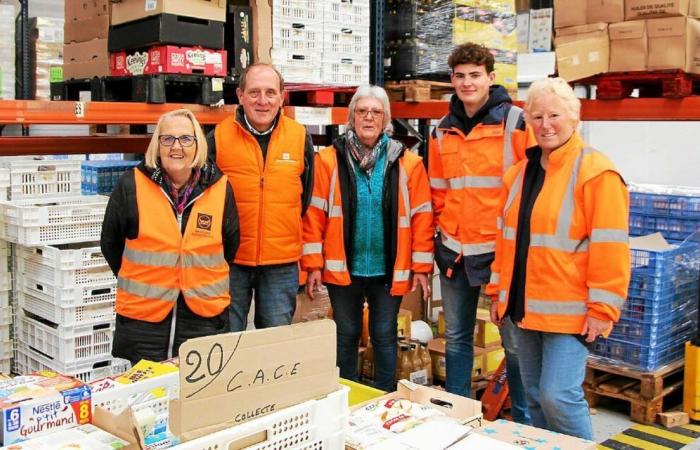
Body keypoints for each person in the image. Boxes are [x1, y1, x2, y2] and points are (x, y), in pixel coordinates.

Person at [486, 77, 630, 440]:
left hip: (570, 313)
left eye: (554, 115)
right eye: (536, 117)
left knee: (558, 397)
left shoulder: (596, 172)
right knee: (534, 399)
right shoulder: (519, 174)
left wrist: (602, 308)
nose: (545, 124)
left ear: (575, 118)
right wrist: (498, 292)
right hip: (524, 310)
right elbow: (505, 241)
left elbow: (610, 246)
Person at [428, 42, 533, 423]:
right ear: (452, 80)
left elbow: (533, 187)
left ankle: (521, 421)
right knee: (457, 338)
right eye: (460, 76)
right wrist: (441, 237)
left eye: (475, 75)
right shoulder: (442, 130)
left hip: (500, 255)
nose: (467, 82)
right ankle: (458, 416)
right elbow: (437, 191)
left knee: (514, 344)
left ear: (490, 78)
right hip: (455, 251)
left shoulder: (517, 123)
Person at [303, 85, 434, 392]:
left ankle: (384, 399)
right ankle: (346, 396)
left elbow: (422, 217)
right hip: (343, 270)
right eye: (362, 111)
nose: (369, 118)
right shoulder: (328, 162)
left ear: (386, 120)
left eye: (376, 112)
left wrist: (421, 268)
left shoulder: (408, 163)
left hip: (387, 269)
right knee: (346, 334)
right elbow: (313, 216)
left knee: (384, 334)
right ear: (351, 118)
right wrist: (312, 265)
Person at [102, 108, 239, 365]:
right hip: (145, 323)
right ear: (158, 144)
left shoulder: (220, 188)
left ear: (198, 144)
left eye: (186, 139)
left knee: (195, 399)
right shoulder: (131, 185)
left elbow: (230, 246)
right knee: (146, 397)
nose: (177, 146)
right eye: (168, 139)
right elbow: (110, 244)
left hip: (202, 321)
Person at [207, 63, 315, 331]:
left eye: (270, 92)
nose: (263, 101)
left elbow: (305, 196)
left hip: (281, 263)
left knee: (273, 346)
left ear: (282, 97)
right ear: (240, 96)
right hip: (230, 262)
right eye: (254, 92)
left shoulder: (300, 137)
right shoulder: (217, 138)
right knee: (227, 342)